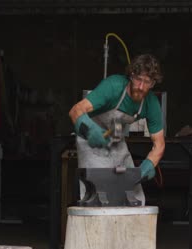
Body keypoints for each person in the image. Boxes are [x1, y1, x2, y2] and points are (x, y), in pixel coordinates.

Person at [69, 53, 165, 205]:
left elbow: (159, 144)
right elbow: (75, 110)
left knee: (135, 197)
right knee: (99, 196)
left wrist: (149, 164)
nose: (140, 87)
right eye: (138, 79)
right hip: (91, 139)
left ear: (153, 83)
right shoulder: (113, 86)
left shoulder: (151, 103)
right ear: (131, 75)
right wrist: (90, 131)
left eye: (147, 82)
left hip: (117, 139)